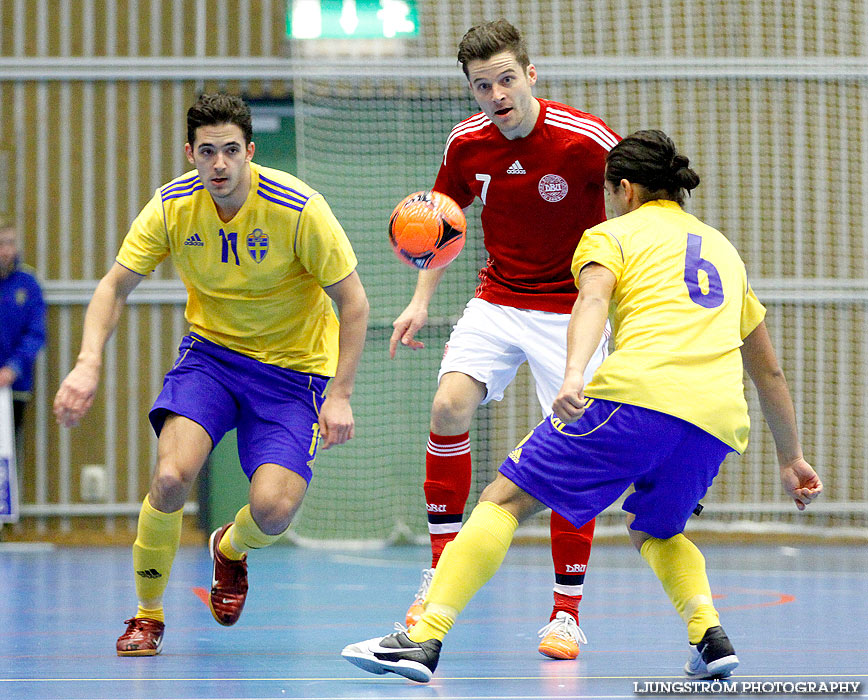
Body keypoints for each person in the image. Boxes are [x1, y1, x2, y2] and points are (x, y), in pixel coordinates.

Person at [342, 129, 823, 683]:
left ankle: (421, 639)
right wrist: (791, 457)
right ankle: (709, 638)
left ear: (624, 189)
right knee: (656, 530)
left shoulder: (609, 236)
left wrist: (574, 374)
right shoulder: (723, 251)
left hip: (636, 399)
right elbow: (768, 369)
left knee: (505, 497)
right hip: (715, 422)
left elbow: (591, 301)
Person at [53, 93, 369, 656]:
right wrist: (87, 361)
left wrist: (339, 393)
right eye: (207, 152)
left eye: (230, 151)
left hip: (294, 374)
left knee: (273, 512)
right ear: (190, 154)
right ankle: (148, 616)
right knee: (172, 477)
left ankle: (231, 546)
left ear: (249, 152)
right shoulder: (173, 206)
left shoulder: (299, 208)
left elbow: (354, 303)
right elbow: (113, 287)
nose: (219, 164)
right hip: (213, 359)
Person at [390, 19, 619, 659]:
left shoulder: (585, 141)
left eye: (506, 79)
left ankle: (566, 613)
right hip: (498, 297)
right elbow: (436, 222)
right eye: (481, 85)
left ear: (531, 75)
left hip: (572, 310)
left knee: (572, 448)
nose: (496, 94)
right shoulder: (467, 145)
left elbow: (638, 205)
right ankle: (439, 570)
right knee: (446, 407)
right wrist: (418, 300)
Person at [0, 218, 46, 447]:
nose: (6, 251)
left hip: (13, 387)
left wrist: (13, 368)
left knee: (6, 454)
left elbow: (36, 333)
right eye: (1, 244)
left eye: (10, 243)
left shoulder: (28, 284)